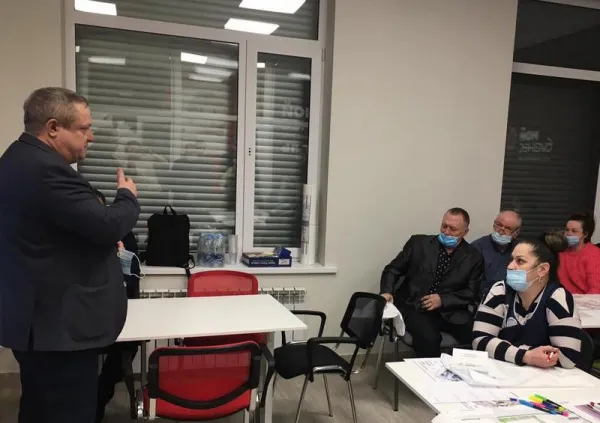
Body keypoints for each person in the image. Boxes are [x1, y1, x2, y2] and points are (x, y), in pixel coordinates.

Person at [0, 87, 140, 423]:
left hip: (38, 324)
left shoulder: (16, 159)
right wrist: (127, 197)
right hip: (57, 332)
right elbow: (108, 225)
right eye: (84, 128)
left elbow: (47, 234)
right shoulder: (47, 170)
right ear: (53, 127)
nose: (91, 136)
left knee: (39, 408)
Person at [380, 208, 484, 358]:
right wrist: (387, 291)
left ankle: (462, 371)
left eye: (453, 229)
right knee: (429, 339)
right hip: (415, 306)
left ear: (465, 232)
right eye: (444, 226)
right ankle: (431, 373)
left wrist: (443, 300)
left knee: (479, 336)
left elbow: (472, 292)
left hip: (451, 310)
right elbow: (392, 270)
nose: (446, 232)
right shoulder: (418, 244)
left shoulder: (473, 257)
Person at [472, 233, 582, 369]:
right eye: (511, 260)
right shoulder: (499, 290)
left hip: (544, 376)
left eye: (520, 261)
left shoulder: (558, 297)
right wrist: (526, 356)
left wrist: (506, 350)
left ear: (542, 270)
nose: (510, 266)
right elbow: (479, 341)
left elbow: (568, 357)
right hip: (503, 371)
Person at [94, 189, 141, 423]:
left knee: (131, 343)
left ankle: (103, 389)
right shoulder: (75, 238)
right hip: (85, 315)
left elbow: (133, 279)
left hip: (116, 309)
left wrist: (119, 260)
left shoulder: (123, 236)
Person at [472, 210, 522, 300]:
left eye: (508, 228)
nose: (501, 230)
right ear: (494, 224)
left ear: (516, 233)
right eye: (499, 225)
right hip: (483, 300)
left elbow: (520, 282)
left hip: (512, 300)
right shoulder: (477, 247)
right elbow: (473, 283)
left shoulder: (521, 250)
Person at [558, 211, 600, 294]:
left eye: (574, 231)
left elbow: (595, 289)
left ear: (585, 234)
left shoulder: (593, 254)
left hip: (586, 299)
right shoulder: (562, 252)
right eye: (567, 230)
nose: (568, 234)